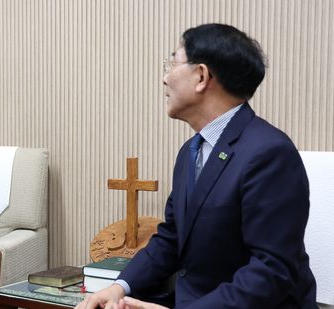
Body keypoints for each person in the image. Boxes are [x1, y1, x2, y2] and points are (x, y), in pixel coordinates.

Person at [77, 23, 317, 309]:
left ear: (201, 76)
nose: (165, 79)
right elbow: (172, 238)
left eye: (172, 64)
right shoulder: (191, 151)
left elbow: (271, 271)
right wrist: (119, 286)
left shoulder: (269, 153)